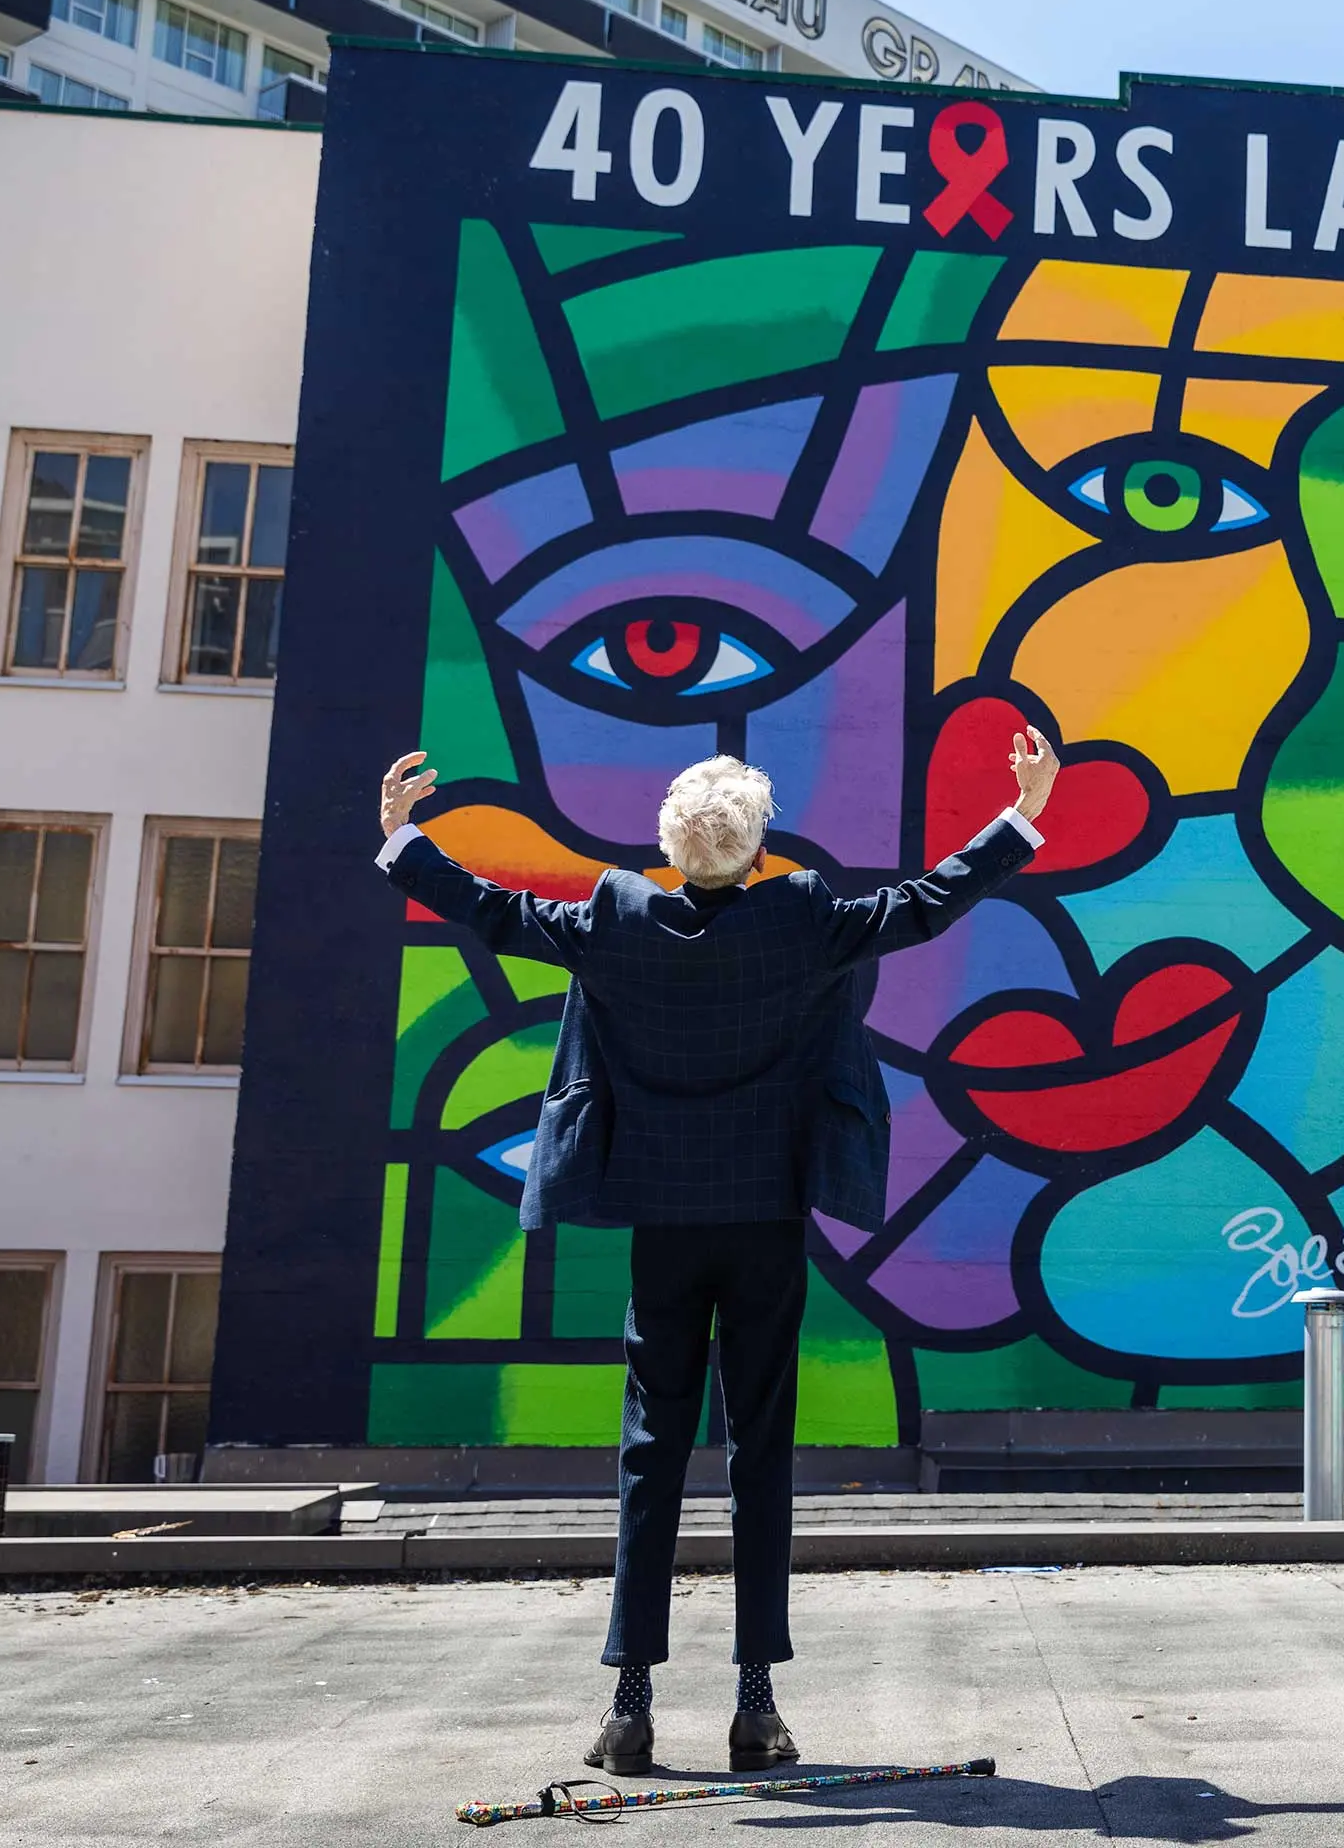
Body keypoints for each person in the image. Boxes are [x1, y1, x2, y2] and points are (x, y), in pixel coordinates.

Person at [373, 733, 1057, 1775]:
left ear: (669, 846)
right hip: (766, 1224)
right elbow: (926, 904)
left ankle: (629, 1710)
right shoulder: (805, 917)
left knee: (649, 1455)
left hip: (663, 1226)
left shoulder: (614, 917)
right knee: (760, 1456)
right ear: (759, 847)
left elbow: (495, 910)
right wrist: (1022, 813)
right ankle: (755, 1708)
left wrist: (404, 839)